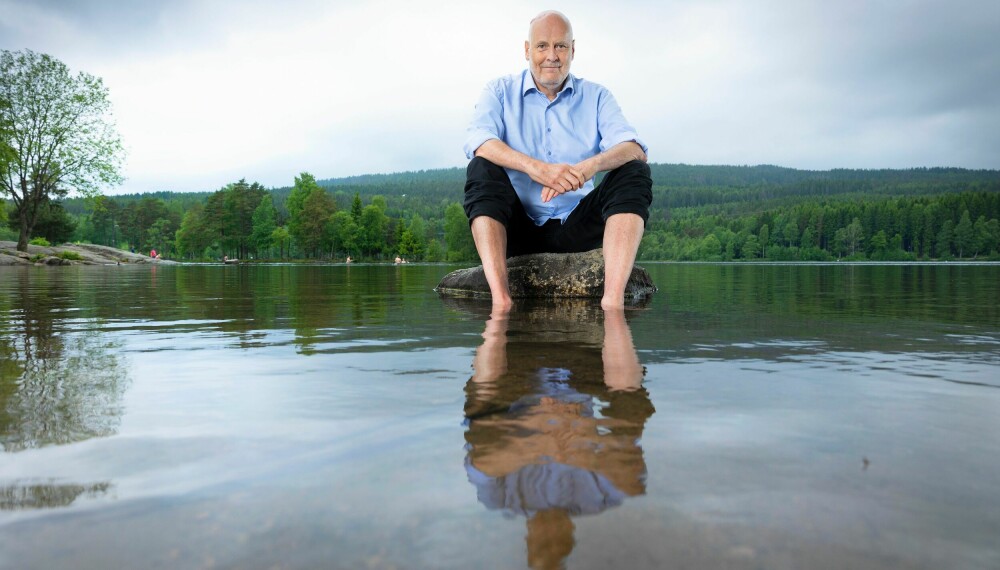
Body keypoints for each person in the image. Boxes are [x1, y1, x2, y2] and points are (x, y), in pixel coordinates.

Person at [463, 10, 652, 313]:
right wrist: (537, 168)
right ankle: (501, 302)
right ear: (527, 50)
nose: (551, 56)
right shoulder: (498, 91)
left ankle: (613, 302)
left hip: (576, 226)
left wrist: (587, 167)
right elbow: (479, 141)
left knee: (634, 171)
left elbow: (634, 148)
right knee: (481, 167)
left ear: (572, 51)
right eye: (542, 46)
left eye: (560, 46)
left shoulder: (597, 96)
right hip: (517, 227)